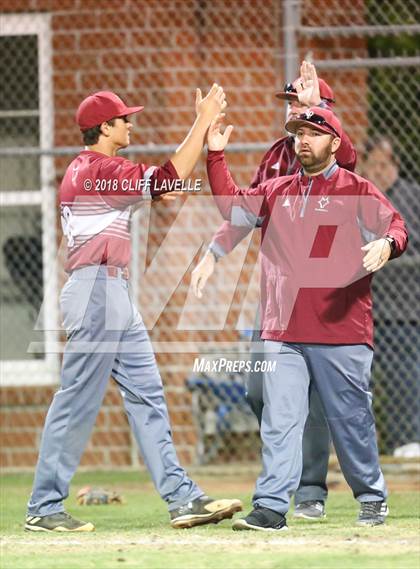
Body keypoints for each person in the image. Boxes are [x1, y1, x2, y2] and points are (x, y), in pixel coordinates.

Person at [25, 88, 242, 533]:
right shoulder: (96, 169)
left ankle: (182, 499)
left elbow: (163, 188)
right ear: (103, 128)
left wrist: (189, 158)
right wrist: (201, 121)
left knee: (148, 396)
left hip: (115, 293)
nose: (130, 124)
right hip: (96, 292)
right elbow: (165, 180)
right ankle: (44, 506)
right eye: (123, 119)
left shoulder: (99, 169)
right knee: (77, 400)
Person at [205, 106, 408, 530]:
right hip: (284, 330)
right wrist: (215, 157)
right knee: (281, 419)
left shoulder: (356, 188)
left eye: (314, 133)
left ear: (335, 143)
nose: (303, 140)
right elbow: (234, 211)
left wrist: (388, 243)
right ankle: (271, 506)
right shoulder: (277, 189)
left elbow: (397, 224)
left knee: (351, 421)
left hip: (342, 330)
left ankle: (371, 496)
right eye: (298, 132)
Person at [191, 61, 357, 520]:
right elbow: (247, 211)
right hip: (278, 296)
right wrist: (212, 253)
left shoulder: (334, 154)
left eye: (301, 104)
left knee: (313, 396)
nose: (294, 114)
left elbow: (348, 167)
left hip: (323, 296)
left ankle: (309, 492)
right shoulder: (275, 156)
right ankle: (288, 477)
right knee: (260, 392)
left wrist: (315, 107)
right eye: (290, 104)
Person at [361, 136, 419, 456]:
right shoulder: (362, 199)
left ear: (395, 165)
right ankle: (363, 445)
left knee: (405, 377)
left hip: (406, 307)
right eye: (373, 166)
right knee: (358, 379)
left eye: (385, 164)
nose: (379, 172)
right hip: (365, 308)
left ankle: (407, 440)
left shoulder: (412, 197)